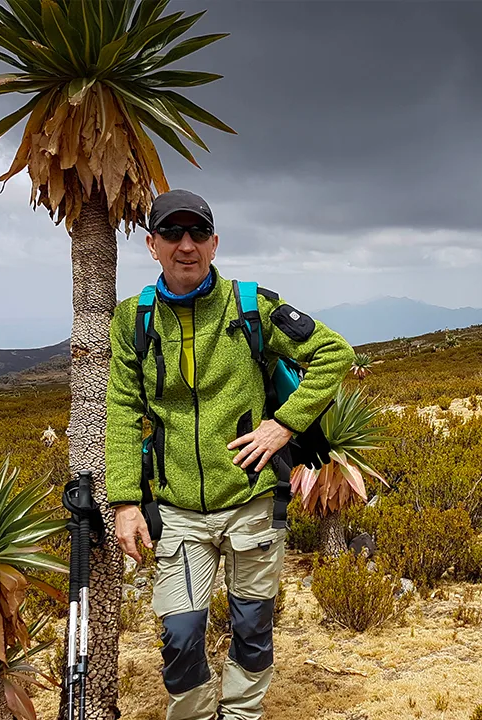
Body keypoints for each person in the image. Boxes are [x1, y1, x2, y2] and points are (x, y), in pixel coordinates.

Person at [105, 189, 354, 720]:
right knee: (180, 635)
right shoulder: (133, 321)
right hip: (177, 511)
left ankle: (242, 714)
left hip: (252, 503)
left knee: (252, 628)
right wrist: (126, 502)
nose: (186, 245)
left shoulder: (252, 307)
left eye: (197, 233)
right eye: (172, 234)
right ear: (152, 245)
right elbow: (123, 411)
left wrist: (284, 424)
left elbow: (335, 353)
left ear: (215, 243)